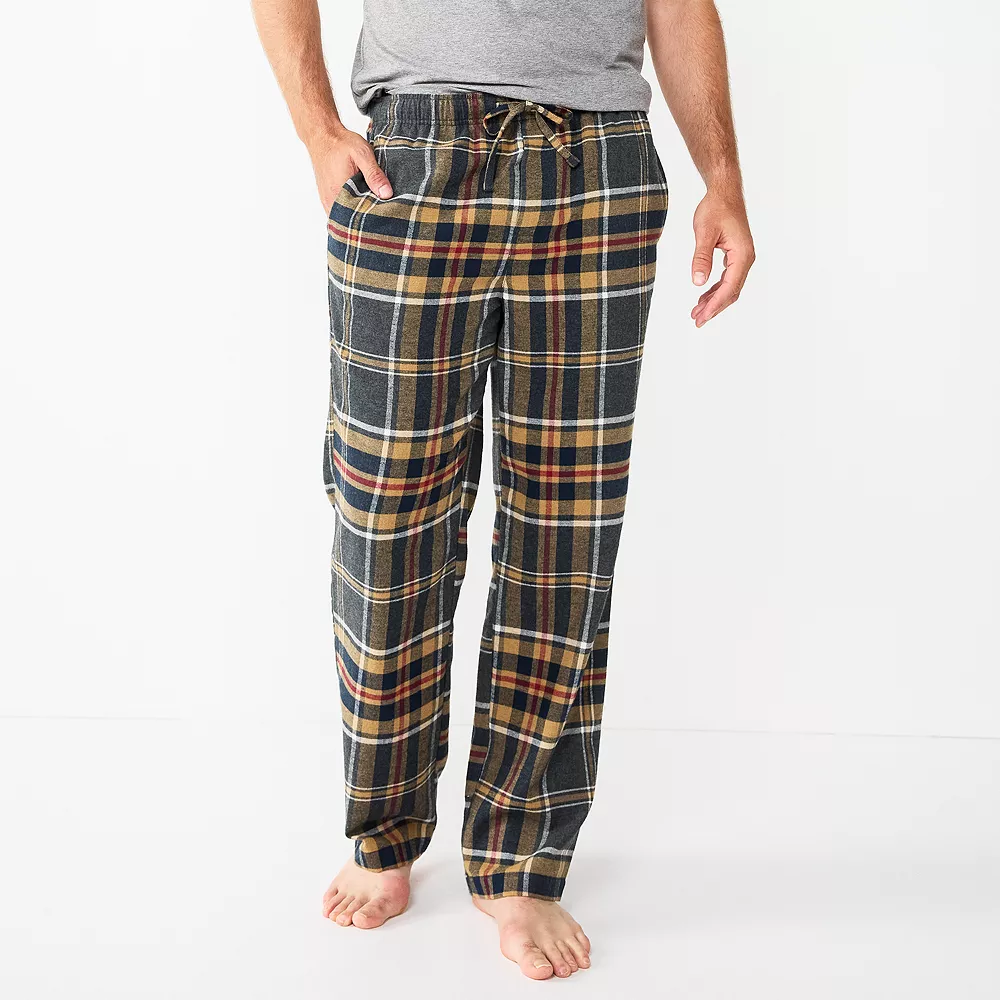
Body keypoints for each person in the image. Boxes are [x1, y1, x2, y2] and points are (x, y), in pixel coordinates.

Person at [251, 0, 754, 980]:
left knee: (566, 527)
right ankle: (385, 833)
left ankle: (520, 859)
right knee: (385, 519)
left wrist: (723, 179)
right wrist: (316, 128)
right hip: (411, 157)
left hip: (597, 159)